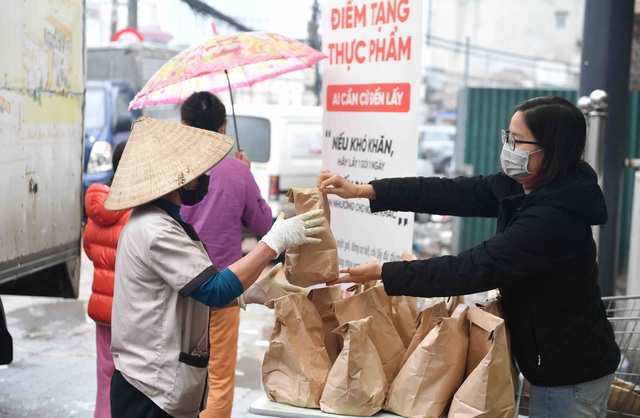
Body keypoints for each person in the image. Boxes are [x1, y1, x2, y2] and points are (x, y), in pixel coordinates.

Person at [318, 96, 620, 418]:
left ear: (552, 150)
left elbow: (471, 268)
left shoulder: (552, 219)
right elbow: (450, 192)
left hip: (569, 374)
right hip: (552, 360)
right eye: (508, 137)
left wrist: (384, 272)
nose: (509, 149)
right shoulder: (525, 186)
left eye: (518, 142)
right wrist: (365, 190)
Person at [105, 116, 325, 418]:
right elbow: (214, 290)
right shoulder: (156, 230)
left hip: (154, 384)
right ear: (177, 177)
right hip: (148, 391)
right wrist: (274, 241)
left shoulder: (164, 222)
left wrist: (249, 294)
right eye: (195, 172)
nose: (202, 177)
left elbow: (190, 291)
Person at [179, 91, 272, 418]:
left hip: (176, 290)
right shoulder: (236, 172)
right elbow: (263, 224)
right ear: (222, 130)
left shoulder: (172, 168)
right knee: (217, 379)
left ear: (183, 125)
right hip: (224, 290)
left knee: (172, 374)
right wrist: (247, 176)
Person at [83, 139, 131, 418]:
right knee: (131, 378)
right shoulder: (137, 210)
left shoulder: (98, 207)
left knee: (105, 371)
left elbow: (89, 247)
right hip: (129, 308)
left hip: (103, 308)